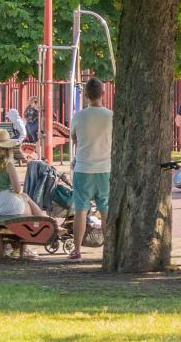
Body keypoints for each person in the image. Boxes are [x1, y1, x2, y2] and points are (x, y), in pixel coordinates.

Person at [70, 77, 114, 260]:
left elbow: (73, 137)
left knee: (80, 209)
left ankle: (77, 249)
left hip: (83, 167)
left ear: (86, 95)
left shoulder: (78, 116)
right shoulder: (111, 115)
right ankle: (108, 249)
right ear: (103, 93)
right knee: (105, 209)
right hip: (105, 167)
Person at [0, 132, 42, 218]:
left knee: (23, 198)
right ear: (7, 149)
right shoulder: (8, 165)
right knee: (25, 197)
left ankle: (45, 222)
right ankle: (46, 222)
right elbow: (18, 190)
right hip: (6, 206)